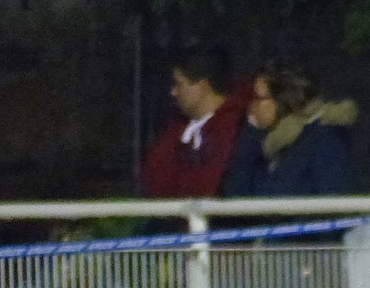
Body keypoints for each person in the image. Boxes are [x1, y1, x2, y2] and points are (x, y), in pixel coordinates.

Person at [223, 65, 356, 197]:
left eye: (258, 98)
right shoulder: (267, 143)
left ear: (282, 100)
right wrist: (252, 131)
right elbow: (236, 194)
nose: (252, 105)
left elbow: (330, 198)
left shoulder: (324, 141)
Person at [140, 45, 250, 199]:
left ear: (202, 86)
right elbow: (152, 179)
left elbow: (210, 187)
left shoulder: (236, 130)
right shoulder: (176, 129)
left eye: (179, 84)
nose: (173, 92)